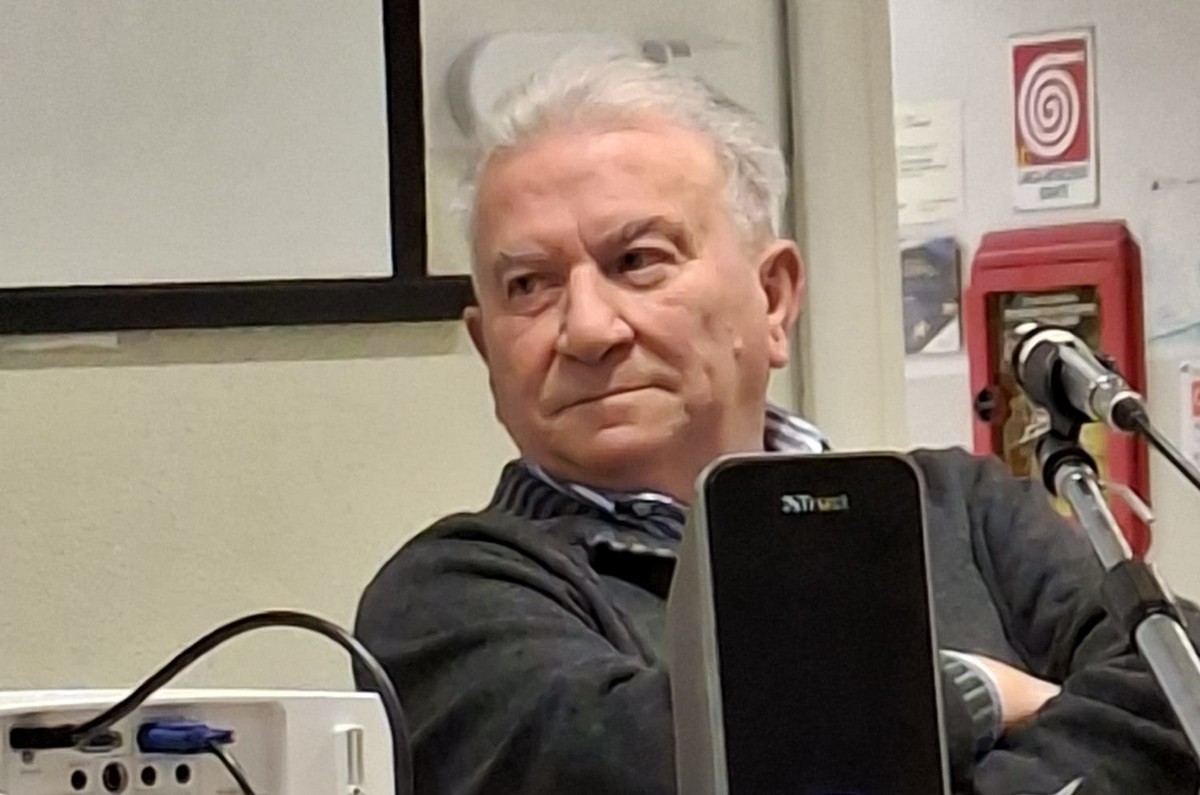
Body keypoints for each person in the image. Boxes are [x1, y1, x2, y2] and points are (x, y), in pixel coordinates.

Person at [355, 54, 1198, 794]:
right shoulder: (444, 600)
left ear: (774, 297)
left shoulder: (962, 510)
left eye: (637, 260)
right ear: (486, 347)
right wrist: (976, 694)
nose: (586, 328)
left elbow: (1180, 684)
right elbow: (641, 767)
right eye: (529, 286)